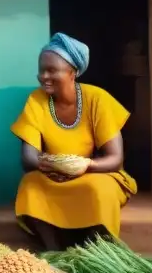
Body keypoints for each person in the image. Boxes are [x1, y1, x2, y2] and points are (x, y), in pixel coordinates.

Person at [12, 33, 137, 250]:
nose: (43, 76)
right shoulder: (36, 100)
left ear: (74, 72)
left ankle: (96, 250)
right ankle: (53, 251)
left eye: (52, 70)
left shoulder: (97, 98)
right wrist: (52, 164)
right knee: (31, 185)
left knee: (99, 190)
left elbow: (115, 159)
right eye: (41, 70)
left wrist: (84, 166)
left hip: (93, 173)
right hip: (52, 173)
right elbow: (28, 158)